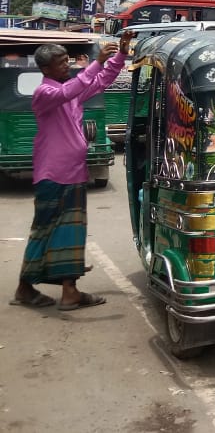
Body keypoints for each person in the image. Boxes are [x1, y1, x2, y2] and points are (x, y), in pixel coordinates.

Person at [10, 32, 131, 310]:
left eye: (68, 60)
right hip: (53, 175)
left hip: (73, 172)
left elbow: (100, 82)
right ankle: (28, 288)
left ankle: (68, 291)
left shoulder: (71, 91)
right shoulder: (45, 93)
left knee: (70, 232)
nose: (67, 66)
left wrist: (120, 56)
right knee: (46, 230)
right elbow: (71, 89)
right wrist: (96, 63)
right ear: (45, 69)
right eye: (61, 63)